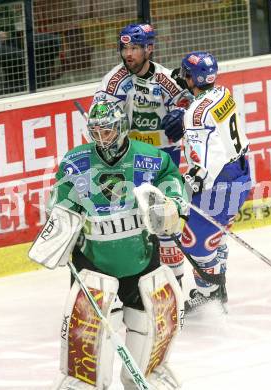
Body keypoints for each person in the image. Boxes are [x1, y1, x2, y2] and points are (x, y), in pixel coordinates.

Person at [29, 101, 188, 389]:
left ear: (123, 128)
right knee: (92, 334)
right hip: (93, 262)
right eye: (96, 132)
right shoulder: (76, 162)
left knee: (149, 326)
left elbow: (172, 182)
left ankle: (149, 377)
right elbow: (59, 201)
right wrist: (61, 226)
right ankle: (83, 384)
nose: (102, 138)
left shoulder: (150, 158)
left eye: (108, 131)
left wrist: (171, 205)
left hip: (141, 259)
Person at [89, 22, 193, 284]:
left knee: (166, 221)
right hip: (129, 160)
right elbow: (99, 118)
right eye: (124, 48)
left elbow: (191, 110)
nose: (128, 54)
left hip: (162, 160)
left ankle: (176, 283)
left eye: (134, 48)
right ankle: (135, 281)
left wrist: (181, 117)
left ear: (149, 49)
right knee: (131, 222)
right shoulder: (113, 82)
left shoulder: (167, 80)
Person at [162, 51, 252, 311]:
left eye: (186, 74)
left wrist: (185, 185)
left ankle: (210, 293)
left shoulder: (194, 117)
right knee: (217, 235)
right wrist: (188, 111)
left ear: (193, 77)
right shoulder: (223, 93)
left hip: (220, 182)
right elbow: (208, 114)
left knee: (194, 242)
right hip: (241, 172)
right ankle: (219, 286)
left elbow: (202, 164)